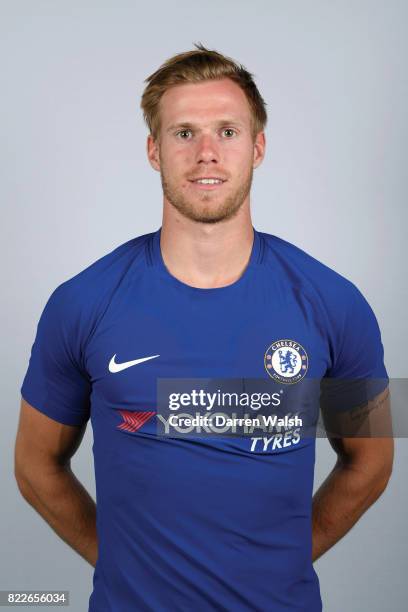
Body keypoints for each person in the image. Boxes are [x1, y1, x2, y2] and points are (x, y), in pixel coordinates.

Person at [15, 43, 393, 612]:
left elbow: (373, 460)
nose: (207, 154)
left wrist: (286, 558)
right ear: (154, 150)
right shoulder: (82, 303)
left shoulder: (337, 304)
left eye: (228, 132)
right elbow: (33, 463)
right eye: (184, 133)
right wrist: (118, 560)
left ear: (258, 147)